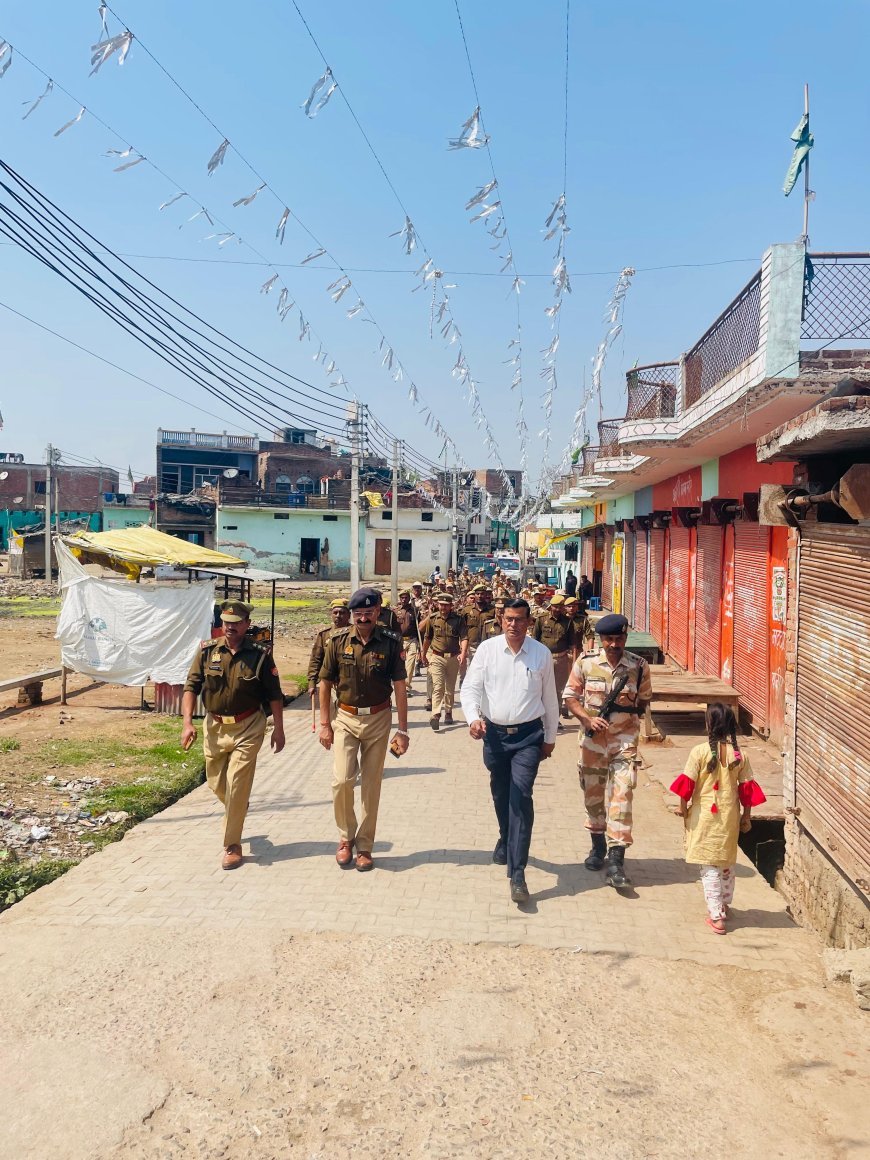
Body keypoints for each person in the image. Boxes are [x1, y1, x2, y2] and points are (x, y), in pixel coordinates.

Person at [460, 599, 559, 904]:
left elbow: (551, 700)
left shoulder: (541, 654)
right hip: (494, 738)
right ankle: (505, 836)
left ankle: (518, 873)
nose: (514, 625)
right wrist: (473, 719)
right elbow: (470, 689)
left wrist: (550, 738)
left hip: (529, 737)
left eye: (520, 620)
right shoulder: (488, 651)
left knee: (521, 796)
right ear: (501, 620)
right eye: (509, 619)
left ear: (529, 622)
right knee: (501, 793)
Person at [181, 600, 285, 870]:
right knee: (217, 783)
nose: (231, 627)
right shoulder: (206, 652)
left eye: (236, 623)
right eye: (227, 622)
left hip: (248, 725)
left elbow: (275, 694)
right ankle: (238, 805)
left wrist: (280, 731)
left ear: (246, 625)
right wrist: (187, 723)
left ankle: (232, 845)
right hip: (215, 726)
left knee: (237, 781)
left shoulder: (260, 655)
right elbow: (191, 687)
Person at [318, 587, 409, 872]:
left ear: (378, 613)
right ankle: (346, 837)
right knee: (342, 781)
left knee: (371, 785)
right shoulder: (336, 640)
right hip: (344, 718)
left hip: (379, 719)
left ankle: (365, 846)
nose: (363, 619)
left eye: (369, 614)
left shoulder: (392, 642)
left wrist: (403, 731)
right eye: (359, 614)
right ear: (352, 615)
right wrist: (324, 724)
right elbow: (324, 682)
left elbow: (400, 687)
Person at [563, 613, 652, 890]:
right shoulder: (586, 663)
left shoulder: (638, 666)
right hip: (592, 744)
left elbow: (644, 701)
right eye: (609, 639)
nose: (614, 644)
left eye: (619, 638)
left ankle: (616, 859)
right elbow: (570, 697)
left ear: (626, 638)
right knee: (593, 797)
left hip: (624, 744)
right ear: (601, 640)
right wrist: (586, 718)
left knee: (622, 796)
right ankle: (597, 845)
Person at [670, 703, 766, 933]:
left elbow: (687, 785)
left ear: (709, 724)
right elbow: (747, 792)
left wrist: (682, 808)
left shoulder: (699, 751)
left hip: (704, 817)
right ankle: (723, 904)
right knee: (725, 862)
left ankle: (716, 915)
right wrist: (746, 817)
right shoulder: (740, 755)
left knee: (708, 866)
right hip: (728, 818)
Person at [420, 591, 468, 730]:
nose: (443, 608)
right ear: (437, 604)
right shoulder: (433, 619)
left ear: (451, 606)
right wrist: (423, 654)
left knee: (450, 689)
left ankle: (448, 712)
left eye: (446, 605)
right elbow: (427, 638)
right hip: (437, 657)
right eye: (441, 605)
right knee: (438, 687)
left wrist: (463, 653)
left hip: (453, 657)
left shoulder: (458, 620)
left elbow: (464, 637)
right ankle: (436, 714)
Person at [532, 593, 578, 726]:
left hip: (561, 660)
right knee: (540, 689)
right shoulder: (541, 619)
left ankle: (554, 719)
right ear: (551, 606)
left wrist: (574, 662)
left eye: (560, 607)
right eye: (555, 607)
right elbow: (535, 640)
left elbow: (573, 644)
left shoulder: (568, 622)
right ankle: (539, 719)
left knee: (558, 690)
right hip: (543, 659)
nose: (558, 609)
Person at [307, 599, 350, 716]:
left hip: (349, 683)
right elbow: (316, 659)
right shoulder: (324, 635)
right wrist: (312, 683)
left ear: (349, 615)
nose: (338, 616)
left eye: (342, 613)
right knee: (329, 715)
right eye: (335, 613)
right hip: (328, 683)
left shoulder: (355, 634)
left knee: (346, 714)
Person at [461, 585, 496, 681]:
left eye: (482, 594)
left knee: (487, 670)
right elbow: (462, 628)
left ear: (486, 595)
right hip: (472, 645)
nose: (480, 596)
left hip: (488, 645)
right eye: (477, 594)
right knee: (473, 670)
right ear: (474, 595)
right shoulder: (467, 610)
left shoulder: (493, 610)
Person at [394, 588, 420, 694]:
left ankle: (407, 686)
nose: (404, 599)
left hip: (412, 640)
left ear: (409, 598)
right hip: (400, 641)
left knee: (410, 664)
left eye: (406, 597)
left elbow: (419, 627)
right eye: (402, 597)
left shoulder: (414, 610)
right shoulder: (396, 611)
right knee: (401, 665)